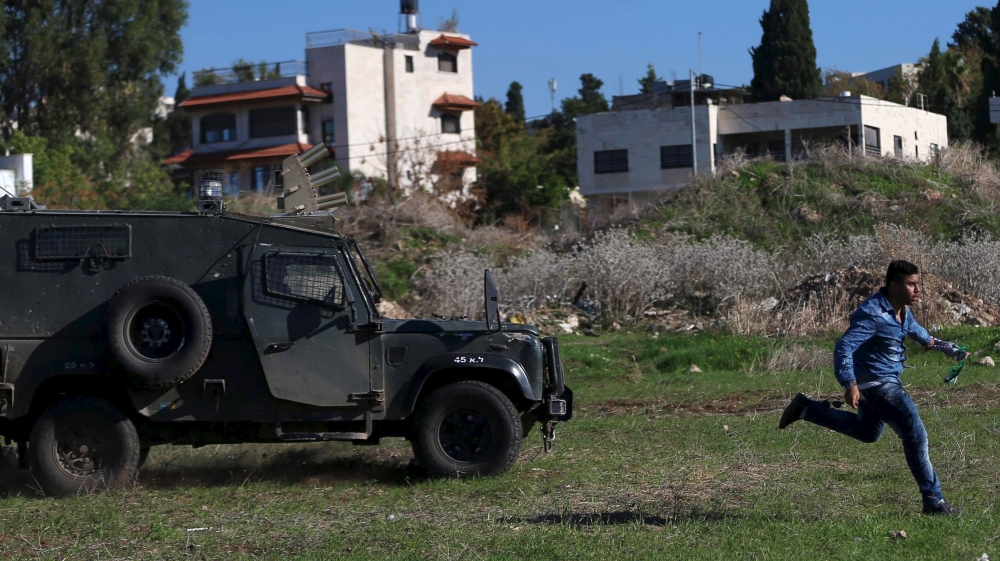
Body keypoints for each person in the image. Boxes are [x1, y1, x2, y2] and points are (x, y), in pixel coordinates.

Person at [778, 260, 966, 515]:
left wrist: (943, 345)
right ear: (894, 285)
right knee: (915, 434)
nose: (917, 289)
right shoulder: (873, 314)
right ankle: (934, 501)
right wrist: (849, 383)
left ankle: (806, 410)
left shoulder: (901, 310)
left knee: (868, 432)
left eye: (918, 283)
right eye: (912, 284)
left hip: (879, 384)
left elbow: (915, 330)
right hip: (879, 386)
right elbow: (844, 347)